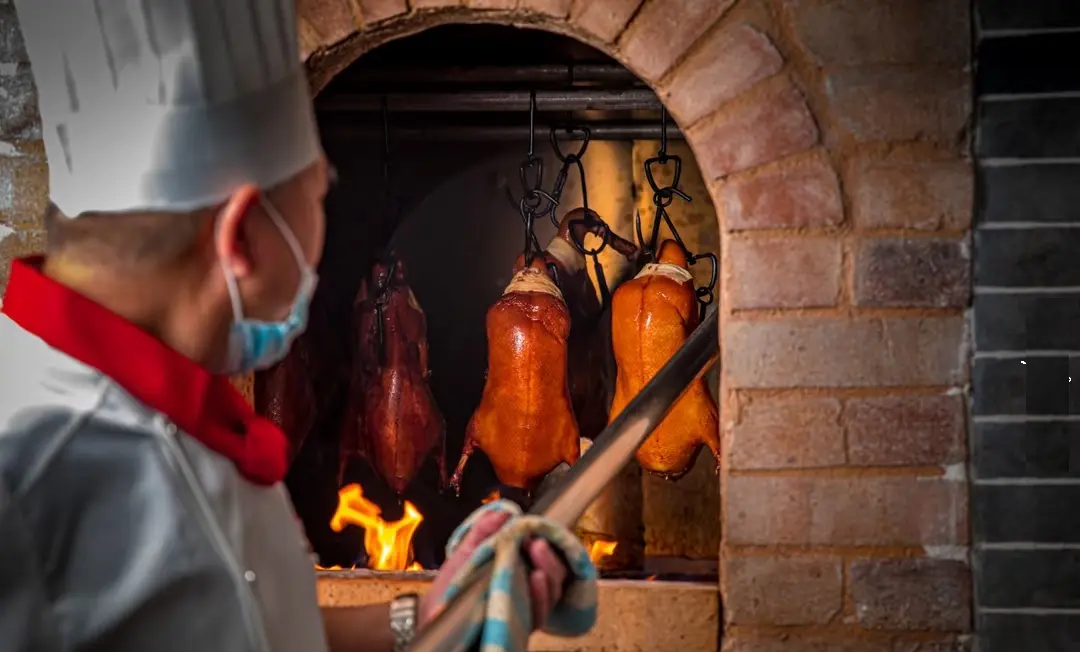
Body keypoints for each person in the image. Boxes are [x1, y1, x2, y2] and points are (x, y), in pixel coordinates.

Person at [0, 0, 570, 650]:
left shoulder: (194, 422)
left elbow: (244, 630)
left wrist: (424, 616)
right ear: (242, 235)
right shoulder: (20, 475)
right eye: (319, 191)